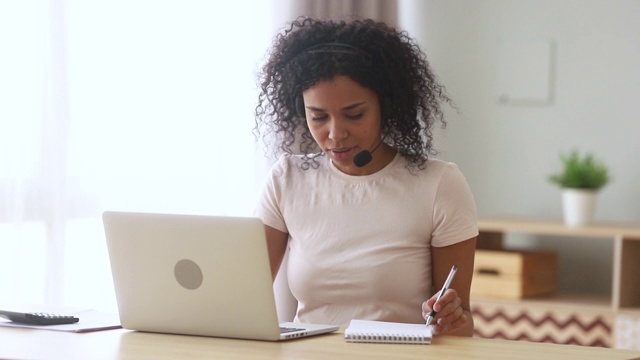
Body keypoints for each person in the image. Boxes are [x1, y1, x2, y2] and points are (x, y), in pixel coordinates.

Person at [253, 17, 477, 337]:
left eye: (354, 115)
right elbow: (243, 297)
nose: (335, 134)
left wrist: (450, 318)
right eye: (318, 116)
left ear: (386, 106)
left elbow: (463, 323)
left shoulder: (439, 185)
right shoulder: (286, 179)